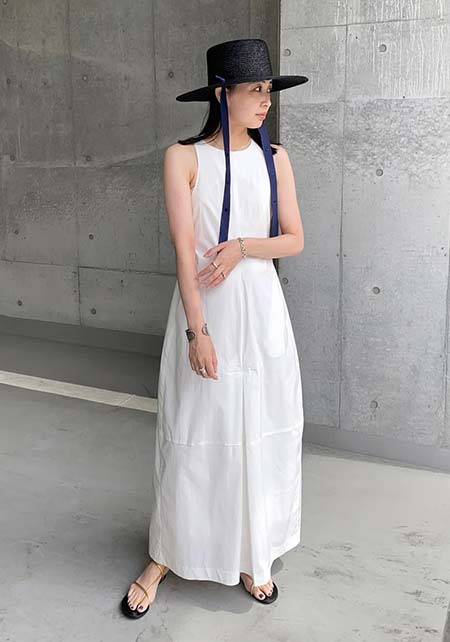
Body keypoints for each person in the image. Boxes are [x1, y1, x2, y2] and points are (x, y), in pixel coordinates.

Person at [121, 38, 308, 619]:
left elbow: (294, 239)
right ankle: (165, 554)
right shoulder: (183, 158)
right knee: (194, 431)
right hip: (207, 311)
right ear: (223, 95)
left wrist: (242, 248)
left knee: (259, 427)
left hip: (262, 311)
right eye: (256, 91)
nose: (266, 102)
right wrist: (196, 331)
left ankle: (251, 550)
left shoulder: (275, 157)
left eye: (269, 90)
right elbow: (185, 251)